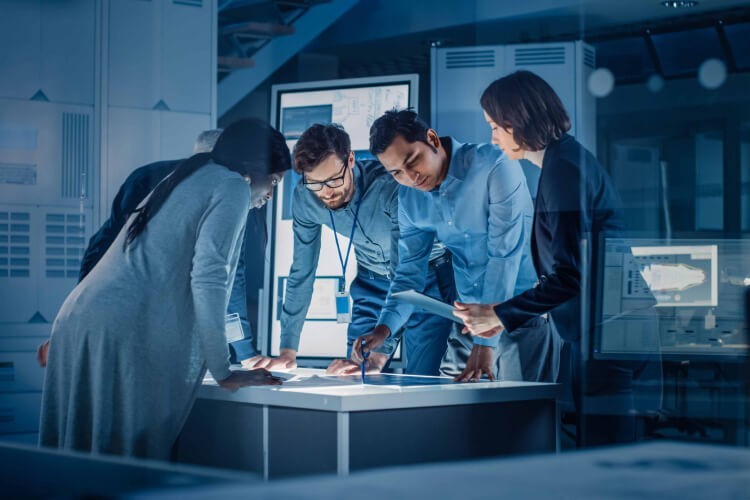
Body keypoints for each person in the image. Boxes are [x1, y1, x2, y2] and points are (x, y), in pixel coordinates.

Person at [39, 118, 290, 460]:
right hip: (118, 329)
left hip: (80, 319)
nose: (271, 194)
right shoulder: (231, 186)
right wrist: (224, 370)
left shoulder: (186, 175)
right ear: (252, 170)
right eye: (273, 181)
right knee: (123, 462)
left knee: (78, 459)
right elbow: (209, 279)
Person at [454, 70, 638, 445]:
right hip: (605, 332)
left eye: (494, 126)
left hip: (607, 333)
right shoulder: (564, 162)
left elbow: (570, 277)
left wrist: (498, 314)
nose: (492, 137)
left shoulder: (562, 172)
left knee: (606, 452)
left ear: (515, 122)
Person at [353, 109, 559, 383]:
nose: (411, 177)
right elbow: (409, 273)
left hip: (519, 317)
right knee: (449, 415)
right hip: (466, 323)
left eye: (413, 160)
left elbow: (503, 257)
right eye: (396, 173)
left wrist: (486, 344)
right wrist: (383, 329)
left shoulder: (495, 166)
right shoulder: (410, 198)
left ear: (432, 139)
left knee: (523, 418)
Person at [36, 130, 262, 367]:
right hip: (149, 318)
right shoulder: (225, 189)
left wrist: (73, 324)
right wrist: (244, 351)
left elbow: (102, 247)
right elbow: (226, 275)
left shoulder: (150, 176)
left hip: (119, 309)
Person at [246, 123, 456, 376]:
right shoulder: (305, 197)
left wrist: (381, 351)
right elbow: (301, 272)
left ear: (351, 159)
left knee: (423, 378)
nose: (326, 193)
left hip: (425, 279)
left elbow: (406, 275)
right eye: (315, 183)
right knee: (355, 374)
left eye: (334, 180)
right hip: (371, 283)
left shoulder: (390, 188)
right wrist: (288, 351)